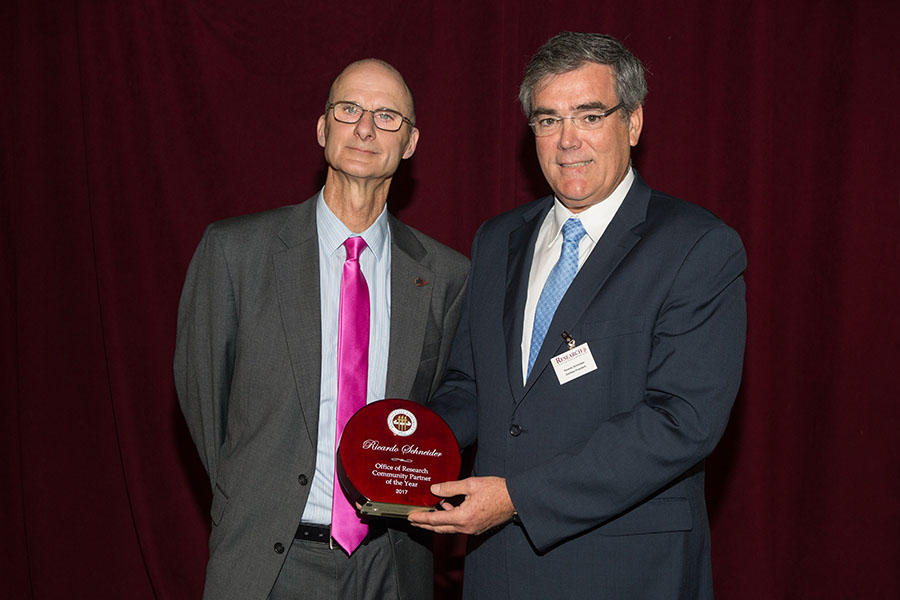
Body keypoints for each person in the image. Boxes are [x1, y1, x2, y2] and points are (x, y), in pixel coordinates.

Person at [409, 32, 747, 599]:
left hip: (626, 570)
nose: (567, 141)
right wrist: (407, 448)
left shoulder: (697, 246)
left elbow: (682, 420)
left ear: (633, 123)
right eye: (547, 120)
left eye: (589, 116)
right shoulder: (497, 240)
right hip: (500, 571)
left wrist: (518, 498)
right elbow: (473, 384)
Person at [175, 58, 469, 600]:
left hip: (393, 564)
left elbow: (439, 410)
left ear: (410, 143)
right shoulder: (235, 253)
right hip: (270, 565)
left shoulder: (448, 276)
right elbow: (203, 403)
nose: (364, 128)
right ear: (322, 127)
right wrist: (252, 499)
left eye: (387, 117)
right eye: (349, 109)